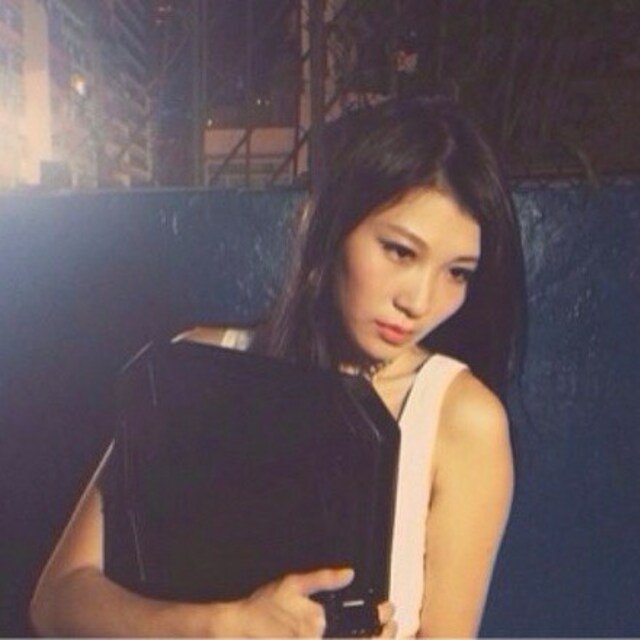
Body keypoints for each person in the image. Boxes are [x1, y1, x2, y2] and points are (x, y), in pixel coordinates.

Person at [30, 97, 526, 637]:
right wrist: (226, 627)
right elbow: (57, 601)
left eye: (457, 273)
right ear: (326, 224)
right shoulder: (199, 364)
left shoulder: (460, 420)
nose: (420, 301)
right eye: (400, 251)